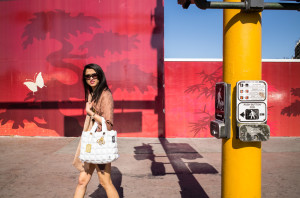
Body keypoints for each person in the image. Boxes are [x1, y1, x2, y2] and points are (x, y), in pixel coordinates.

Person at [73, 63, 119, 198]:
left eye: (94, 75)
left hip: (99, 144)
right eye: (88, 76)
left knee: (105, 182)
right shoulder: (92, 94)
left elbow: (108, 123)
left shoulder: (105, 94)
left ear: (100, 76)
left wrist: (90, 112)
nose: (91, 78)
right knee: (82, 181)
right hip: (90, 145)